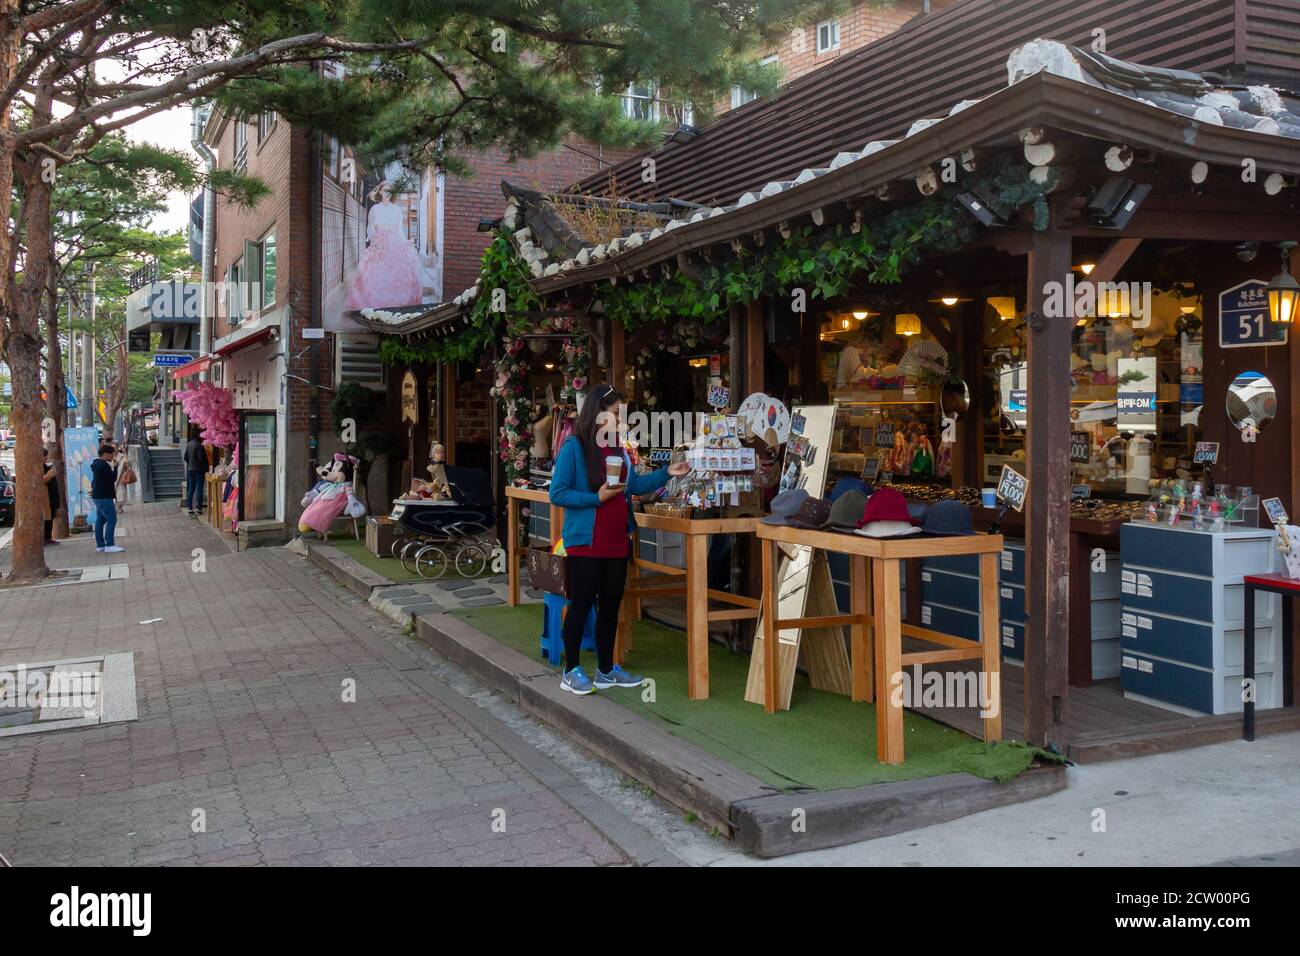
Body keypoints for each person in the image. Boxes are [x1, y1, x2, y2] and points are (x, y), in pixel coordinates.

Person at [548, 384, 689, 695]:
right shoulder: (574, 447)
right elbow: (557, 493)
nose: (622, 420)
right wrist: (595, 498)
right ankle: (571, 670)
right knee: (581, 603)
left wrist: (668, 472)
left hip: (616, 540)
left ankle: (606, 670)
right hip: (585, 541)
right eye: (616, 413)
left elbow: (633, 485)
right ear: (597, 413)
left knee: (611, 605)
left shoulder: (619, 449)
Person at [90, 443, 123, 554]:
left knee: (100, 519)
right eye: (111, 454)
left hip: (98, 496)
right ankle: (109, 544)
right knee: (112, 519)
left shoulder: (96, 464)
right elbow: (113, 478)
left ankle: (100, 545)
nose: (112, 457)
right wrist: (116, 467)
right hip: (105, 496)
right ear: (105, 454)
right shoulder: (103, 465)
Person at [183, 432, 209, 516]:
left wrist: (191, 463)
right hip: (199, 470)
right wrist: (206, 468)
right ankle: (199, 508)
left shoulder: (189, 444)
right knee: (199, 489)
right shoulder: (199, 446)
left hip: (190, 469)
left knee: (191, 488)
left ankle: (190, 508)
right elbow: (202, 459)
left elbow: (185, 457)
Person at [42, 445, 61, 546]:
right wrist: (50, 474)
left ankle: (48, 537)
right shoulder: (37, 467)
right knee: (45, 518)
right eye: (44, 456)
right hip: (45, 497)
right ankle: (44, 538)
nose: (46, 458)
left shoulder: (47, 466)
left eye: (46, 456)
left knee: (51, 516)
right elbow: (42, 480)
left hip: (52, 495)